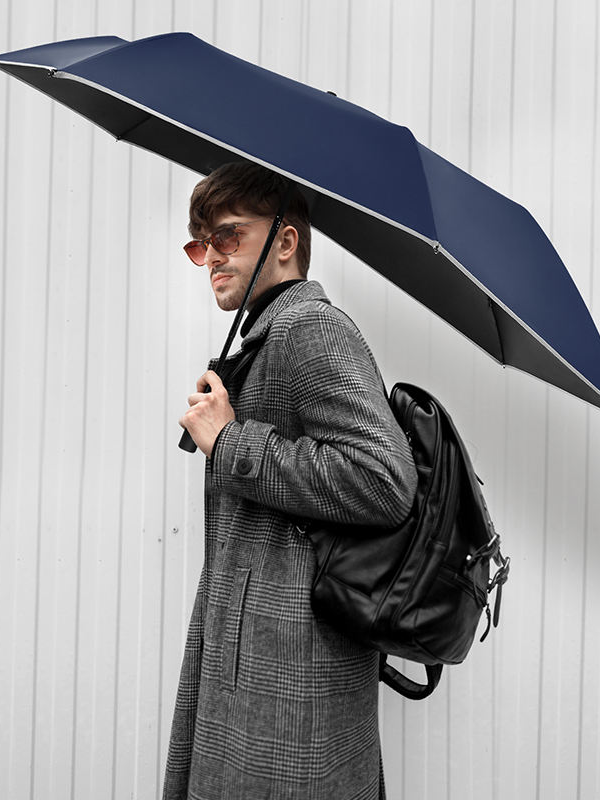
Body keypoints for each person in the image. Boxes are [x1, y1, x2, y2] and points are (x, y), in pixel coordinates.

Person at [164, 162, 417, 800]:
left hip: (291, 677)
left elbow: (385, 479)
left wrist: (231, 441)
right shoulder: (265, 335)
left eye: (227, 236)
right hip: (258, 655)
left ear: (285, 241)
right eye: (200, 245)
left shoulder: (311, 328)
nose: (210, 258)